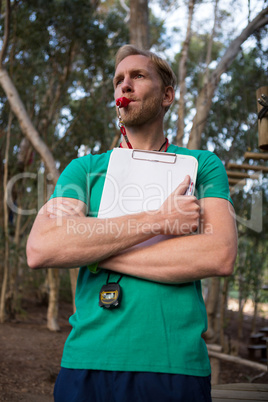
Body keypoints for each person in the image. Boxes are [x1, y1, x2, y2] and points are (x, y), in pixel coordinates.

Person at [26, 44, 237, 402]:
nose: (125, 85)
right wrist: (159, 220)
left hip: (174, 366)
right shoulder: (85, 169)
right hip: (86, 361)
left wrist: (89, 248)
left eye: (137, 76)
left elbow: (219, 255)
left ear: (167, 94)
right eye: (118, 80)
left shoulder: (203, 165)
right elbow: (42, 247)